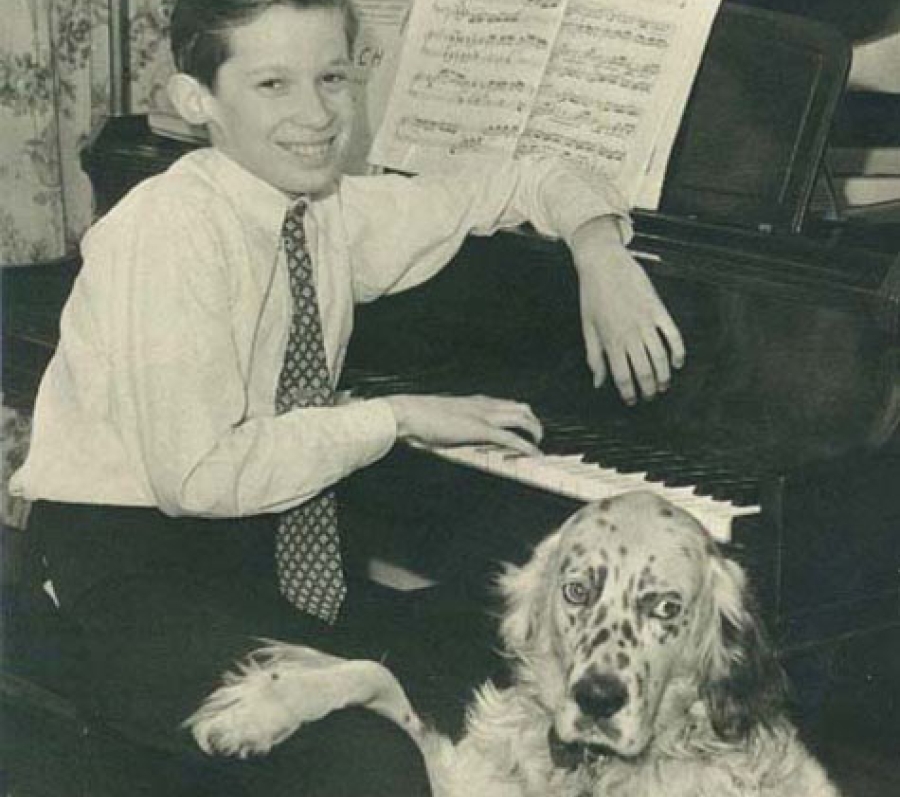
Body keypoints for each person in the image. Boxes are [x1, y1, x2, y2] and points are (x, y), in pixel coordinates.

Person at [10, 0, 685, 794]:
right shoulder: (167, 231)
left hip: (256, 560)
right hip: (127, 573)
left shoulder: (327, 209)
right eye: (272, 83)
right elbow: (193, 478)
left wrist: (602, 253)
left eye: (332, 76)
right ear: (199, 101)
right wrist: (397, 417)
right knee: (369, 761)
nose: (316, 113)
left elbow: (525, 175)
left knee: (519, 667)